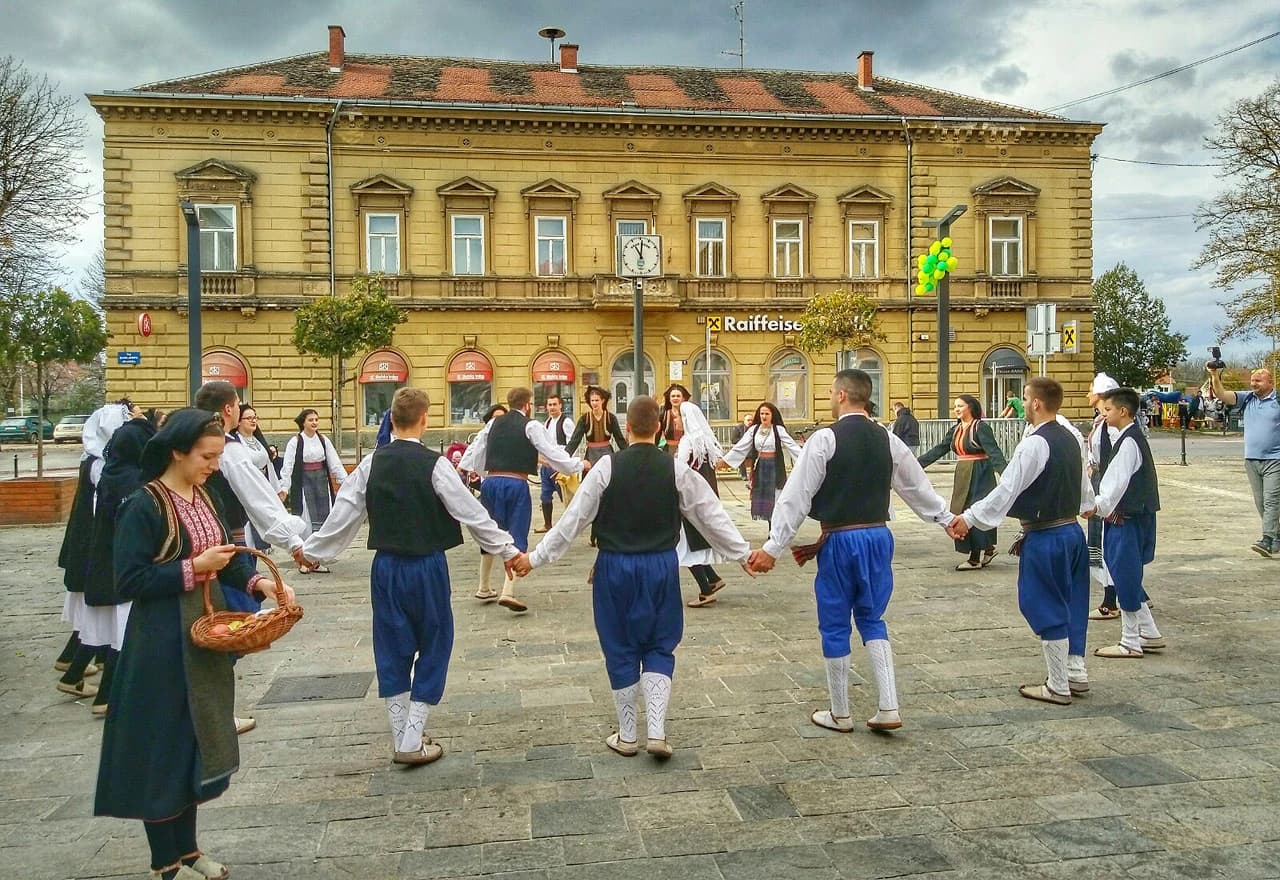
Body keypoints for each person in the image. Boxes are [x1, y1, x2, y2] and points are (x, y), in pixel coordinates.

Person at [95, 408, 295, 880]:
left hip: (202, 636)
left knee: (193, 743)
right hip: (160, 640)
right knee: (162, 746)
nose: (213, 465)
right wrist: (194, 566)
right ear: (177, 451)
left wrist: (259, 586)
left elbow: (227, 559)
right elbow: (129, 579)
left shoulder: (204, 496)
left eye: (218, 457)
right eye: (207, 456)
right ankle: (164, 862)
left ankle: (188, 850)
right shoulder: (143, 504)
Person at [511, 396, 751, 758]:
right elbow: (710, 515)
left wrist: (534, 558)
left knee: (620, 645)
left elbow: (572, 521)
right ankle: (656, 731)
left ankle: (627, 735)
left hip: (615, 566)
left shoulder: (606, 468)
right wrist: (744, 554)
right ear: (658, 429)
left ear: (626, 428)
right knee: (659, 643)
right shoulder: (676, 470)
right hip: (660, 565)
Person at [300, 389, 519, 765]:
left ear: (392, 418)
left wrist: (311, 550)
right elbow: (471, 514)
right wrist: (508, 550)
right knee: (435, 642)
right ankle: (411, 737)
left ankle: (404, 735)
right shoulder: (435, 465)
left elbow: (344, 515)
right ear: (424, 419)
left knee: (391, 645)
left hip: (385, 566)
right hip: (426, 566)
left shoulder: (371, 463)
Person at [746, 370, 954, 732]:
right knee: (873, 617)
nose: (829, 396)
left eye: (830, 392)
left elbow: (797, 497)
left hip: (840, 538)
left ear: (841, 395)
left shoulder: (825, 438)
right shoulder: (887, 439)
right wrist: (946, 518)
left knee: (835, 621)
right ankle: (888, 706)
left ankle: (840, 712)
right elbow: (915, 486)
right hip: (878, 535)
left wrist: (772, 547)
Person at [948, 378, 1094, 705]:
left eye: (1025, 398)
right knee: (1073, 601)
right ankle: (1075, 671)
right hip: (1071, 532)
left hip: (1046, 534)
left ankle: (1057, 684)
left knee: (1042, 601)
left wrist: (968, 518)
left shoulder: (1035, 443)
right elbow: (1085, 489)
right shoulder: (1072, 439)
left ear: (1037, 403)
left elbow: (1007, 489)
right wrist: (1089, 506)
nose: (1023, 404)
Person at [195, 381, 310, 733]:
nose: (212, 465)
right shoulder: (227, 449)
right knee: (227, 626)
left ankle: (210, 711)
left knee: (227, 622)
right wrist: (291, 539)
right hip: (221, 543)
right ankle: (210, 714)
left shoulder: (222, 445)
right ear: (230, 409)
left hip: (220, 543)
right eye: (207, 460)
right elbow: (256, 499)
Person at [463, 387, 585, 611]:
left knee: (491, 531)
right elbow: (551, 452)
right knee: (516, 532)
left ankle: (484, 586)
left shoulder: (493, 424)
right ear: (528, 405)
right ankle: (508, 591)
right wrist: (577, 465)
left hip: (490, 483)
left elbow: (476, 450)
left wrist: (480, 473)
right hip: (515, 483)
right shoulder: (531, 425)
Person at [80, 405, 163, 716]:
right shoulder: (133, 482)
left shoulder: (112, 472)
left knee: (119, 637)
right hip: (131, 571)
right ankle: (110, 698)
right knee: (124, 637)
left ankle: (106, 696)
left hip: (113, 568)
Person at [54, 397, 133, 695]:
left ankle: (74, 670)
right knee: (109, 620)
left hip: (99, 550)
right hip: (102, 551)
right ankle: (100, 689)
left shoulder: (98, 462)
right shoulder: (102, 465)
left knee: (101, 619)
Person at [1087, 387, 1167, 658]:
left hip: (1128, 517)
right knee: (1123, 572)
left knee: (1125, 574)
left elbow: (1116, 482)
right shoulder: (1127, 437)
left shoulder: (1129, 441)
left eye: (1108, 410)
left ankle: (1130, 641)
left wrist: (1097, 506)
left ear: (1123, 411)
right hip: (1130, 515)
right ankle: (1149, 632)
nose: (1104, 414)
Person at [918, 395, 1008, 570]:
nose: (957, 409)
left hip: (980, 472)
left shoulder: (981, 427)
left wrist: (1005, 473)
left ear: (971, 407)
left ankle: (975, 558)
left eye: (960, 406)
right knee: (960, 509)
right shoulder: (956, 429)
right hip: (963, 471)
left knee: (975, 509)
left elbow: (994, 452)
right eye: (955, 406)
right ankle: (988, 548)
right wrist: (916, 464)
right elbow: (940, 449)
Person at [660, 383, 729, 608]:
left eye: (679, 417)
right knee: (690, 543)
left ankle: (706, 589)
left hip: (686, 500)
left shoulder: (688, 442)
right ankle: (713, 579)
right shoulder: (705, 443)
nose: (676, 419)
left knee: (684, 546)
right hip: (700, 498)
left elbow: (679, 470)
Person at [1207, 366, 1279, 556]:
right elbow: (1221, 394)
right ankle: (1276, 537)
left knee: (1271, 500)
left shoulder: (1278, 401)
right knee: (1260, 502)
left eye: (1258, 381)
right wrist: (1214, 375)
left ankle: (1268, 539)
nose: (1254, 384)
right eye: (1253, 381)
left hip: (1275, 459)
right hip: (1251, 459)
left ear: (1270, 382)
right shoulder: (1247, 398)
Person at [718, 402, 804, 528]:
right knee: (764, 499)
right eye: (762, 413)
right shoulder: (754, 430)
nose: (764, 416)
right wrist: (724, 461)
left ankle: (774, 528)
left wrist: (806, 459)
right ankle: (771, 526)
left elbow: (792, 446)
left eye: (767, 414)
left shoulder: (778, 430)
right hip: (760, 467)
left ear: (772, 415)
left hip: (774, 467)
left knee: (775, 497)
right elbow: (741, 447)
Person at [1086, 373, 1122, 621]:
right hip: (1099, 479)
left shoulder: (1108, 425)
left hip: (1105, 483)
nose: (1087, 394)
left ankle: (1112, 600)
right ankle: (1132, 592)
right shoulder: (1101, 422)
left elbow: (1109, 457)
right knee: (1100, 542)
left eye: (1091, 390)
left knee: (1102, 542)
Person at [281, 408, 347, 536]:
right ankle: (308, 541)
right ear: (303, 422)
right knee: (307, 509)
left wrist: (345, 480)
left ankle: (322, 539)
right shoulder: (295, 442)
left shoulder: (323, 440)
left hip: (322, 479)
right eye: (310, 420)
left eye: (316, 420)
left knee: (324, 507)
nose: (314, 422)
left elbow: (335, 462)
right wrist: (284, 487)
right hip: (304, 480)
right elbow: (288, 466)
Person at [229, 405, 279, 552]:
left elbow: (268, 465)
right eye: (248, 418)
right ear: (239, 422)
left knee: (262, 517)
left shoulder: (257, 440)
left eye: (254, 417)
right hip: (246, 485)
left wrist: (276, 488)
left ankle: (262, 546)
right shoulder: (235, 441)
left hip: (262, 484)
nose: (253, 421)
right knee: (249, 524)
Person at [535, 394, 576, 534]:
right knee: (545, 496)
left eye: (554, 404)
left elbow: (573, 444)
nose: (552, 407)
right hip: (547, 466)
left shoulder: (566, 422)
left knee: (565, 497)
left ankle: (571, 526)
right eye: (550, 405)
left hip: (559, 466)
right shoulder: (546, 423)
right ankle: (547, 524)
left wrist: (565, 465)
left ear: (560, 406)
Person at [729, 412, 753, 481]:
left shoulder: (754, 428)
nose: (750, 422)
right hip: (742, 450)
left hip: (752, 450)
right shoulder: (738, 428)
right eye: (748, 420)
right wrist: (745, 441)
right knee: (741, 457)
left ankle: (753, 475)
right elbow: (733, 440)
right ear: (744, 421)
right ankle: (744, 475)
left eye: (751, 420)